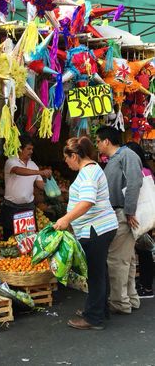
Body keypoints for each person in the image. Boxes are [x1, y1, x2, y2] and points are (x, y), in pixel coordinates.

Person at [54, 137, 118, 330]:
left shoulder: (88, 173)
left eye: (67, 158)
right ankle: (100, 310)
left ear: (75, 156)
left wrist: (66, 219)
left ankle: (93, 318)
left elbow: (87, 201)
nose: (66, 162)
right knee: (100, 271)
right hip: (100, 227)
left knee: (95, 274)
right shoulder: (92, 169)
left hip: (96, 229)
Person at [96, 126, 143, 314]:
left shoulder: (127, 156)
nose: (97, 145)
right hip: (120, 213)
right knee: (127, 260)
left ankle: (119, 303)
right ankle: (130, 299)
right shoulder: (116, 158)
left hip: (123, 214)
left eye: (98, 141)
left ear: (106, 141)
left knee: (116, 260)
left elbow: (135, 182)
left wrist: (130, 211)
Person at [2, 134, 51, 239]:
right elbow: (18, 171)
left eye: (32, 149)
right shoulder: (11, 161)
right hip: (11, 208)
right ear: (20, 149)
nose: (31, 152)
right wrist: (40, 172)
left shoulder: (33, 165)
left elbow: (40, 185)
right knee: (10, 239)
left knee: (29, 239)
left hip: (28, 208)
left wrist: (55, 189)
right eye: (28, 149)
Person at [125, 141, 154, 299]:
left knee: (143, 250)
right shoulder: (147, 170)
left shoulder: (136, 171)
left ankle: (147, 287)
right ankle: (145, 283)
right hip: (147, 214)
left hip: (138, 215)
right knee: (144, 250)